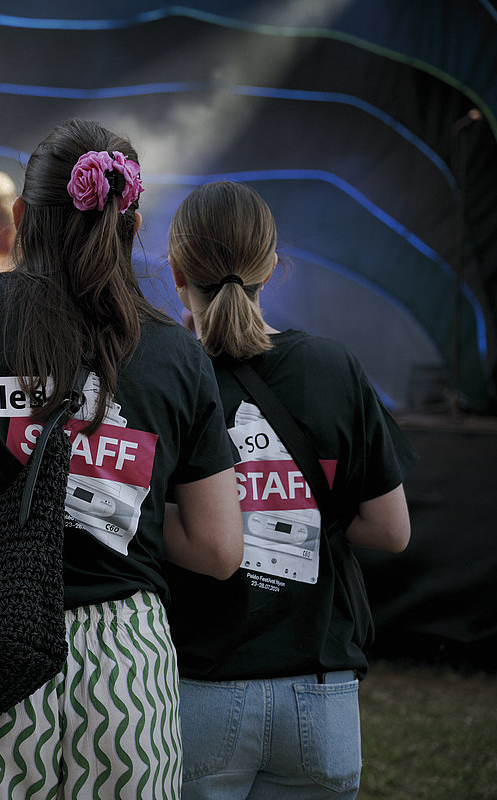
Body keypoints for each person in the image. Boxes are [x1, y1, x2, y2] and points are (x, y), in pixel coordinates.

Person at [0, 118, 244, 799]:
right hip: (127, 660)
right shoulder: (179, 355)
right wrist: (128, 520)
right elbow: (219, 549)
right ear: (131, 221)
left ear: (18, 217)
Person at [164, 181, 418, 800]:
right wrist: (302, 512)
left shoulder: (165, 373)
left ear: (175, 271)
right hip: (322, 697)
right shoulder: (335, 367)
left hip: (200, 689)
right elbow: (391, 529)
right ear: (273, 265)